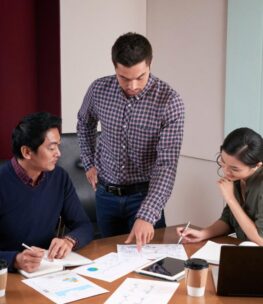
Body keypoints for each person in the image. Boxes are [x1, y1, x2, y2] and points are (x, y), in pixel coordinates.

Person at [77, 32, 185, 249]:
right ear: (114, 67)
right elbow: (84, 122)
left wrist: (147, 214)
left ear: (150, 64)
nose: (133, 85)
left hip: (144, 196)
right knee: (108, 258)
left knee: (148, 265)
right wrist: (89, 162)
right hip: (105, 195)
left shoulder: (169, 101)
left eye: (140, 77)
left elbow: (166, 164)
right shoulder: (99, 89)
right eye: (124, 78)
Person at [0, 112, 93, 272]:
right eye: (51, 148)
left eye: (58, 145)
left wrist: (69, 240)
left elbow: (84, 225)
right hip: (8, 276)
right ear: (27, 152)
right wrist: (15, 260)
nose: (59, 153)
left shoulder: (59, 177)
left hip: (47, 269)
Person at [176, 127, 263, 245]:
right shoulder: (237, 178)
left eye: (234, 169)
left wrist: (231, 199)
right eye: (223, 162)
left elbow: (260, 239)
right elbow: (228, 220)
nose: (226, 172)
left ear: (257, 165)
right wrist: (203, 234)